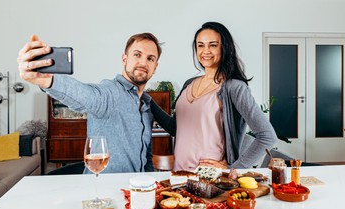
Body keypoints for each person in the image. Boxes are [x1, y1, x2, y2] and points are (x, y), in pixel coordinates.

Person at [17, 33, 162, 173]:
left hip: (135, 192)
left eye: (150, 58)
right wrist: (48, 81)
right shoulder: (110, 93)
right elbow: (85, 95)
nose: (143, 62)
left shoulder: (146, 106)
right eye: (137, 55)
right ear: (124, 59)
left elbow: (146, 158)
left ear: (155, 67)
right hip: (105, 192)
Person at [151, 22, 277, 172]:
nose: (206, 51)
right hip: (179, 174)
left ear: (224, 48)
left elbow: (267, 136)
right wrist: (148, 101)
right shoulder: (189, 84)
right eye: (200, 45)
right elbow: (175, 128)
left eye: (213, 45)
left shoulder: (234, 87)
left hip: (212, 179)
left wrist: (234, 169)